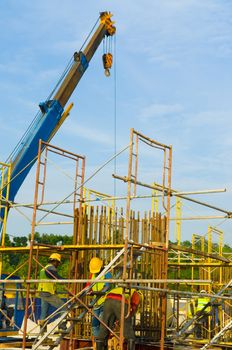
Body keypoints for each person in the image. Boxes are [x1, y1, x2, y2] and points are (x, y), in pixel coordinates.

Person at [38, 253, 67, 332]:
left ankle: (42, 333)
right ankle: (62, 326)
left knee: (44, 314)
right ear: (55, 261)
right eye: (58, 263)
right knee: (64, 308)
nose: (58, 265)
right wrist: (66, 280)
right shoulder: (51, 268)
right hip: (48, 293)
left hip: (43, 292)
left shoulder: (43, 269)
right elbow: (55, 276)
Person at [86, 257, 112, 338]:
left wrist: (98, 292)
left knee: (102, 320)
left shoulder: (107, 273)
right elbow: (88, 286)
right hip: (96, 302)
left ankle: (104, 339)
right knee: (94, 325)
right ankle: (98, 342)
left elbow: (107, 286)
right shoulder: (92, 274)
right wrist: (88, 291)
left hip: (106, 301)